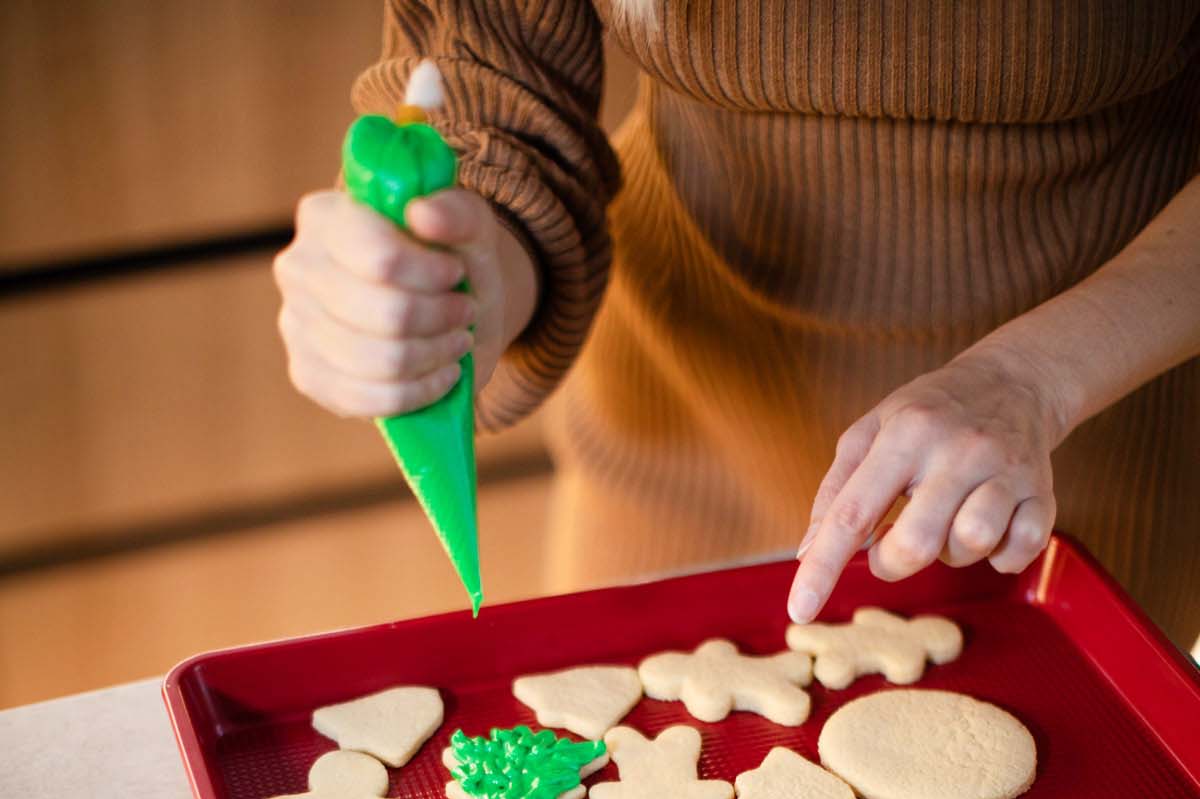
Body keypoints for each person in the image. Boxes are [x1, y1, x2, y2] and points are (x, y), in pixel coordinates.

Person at [274, 3, 1200, 647]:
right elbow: (489, 83)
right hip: (679, 426)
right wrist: (460, 281)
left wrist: (1033, 380)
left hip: (1070, 458)